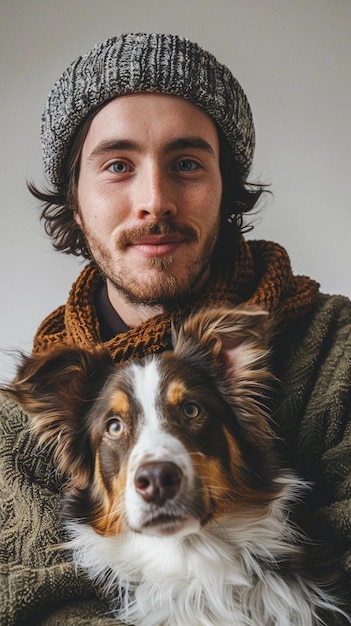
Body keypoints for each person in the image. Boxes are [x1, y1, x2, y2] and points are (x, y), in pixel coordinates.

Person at [0, 32, 350, 626]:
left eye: (186, 163)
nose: (154, 200)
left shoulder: (335, 341)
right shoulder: (23, 416)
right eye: (117, 165)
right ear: (76, 202)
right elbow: (28, 596)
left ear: (225, 190)